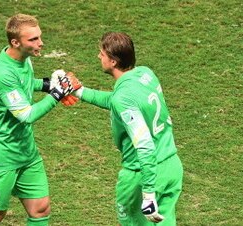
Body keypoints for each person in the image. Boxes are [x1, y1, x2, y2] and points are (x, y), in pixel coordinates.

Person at [0, 13, 79, 226]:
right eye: (33, 40)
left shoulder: (22, 60)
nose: (41, 43)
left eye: (39, 37)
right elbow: (26, 115)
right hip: (1, 154)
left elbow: (23, 82)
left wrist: (46, 84)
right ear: (15, 42)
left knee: (40, 208)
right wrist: (56, 93)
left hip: (26, 151)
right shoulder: (2, 72)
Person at [72, 32, 183, 225]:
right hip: (171, 166)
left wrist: (148, 193)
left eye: (102, 53)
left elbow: (145, 146)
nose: (99, 57)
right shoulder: (145, 74)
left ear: (113, 61)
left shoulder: (123, 98)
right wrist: (80, 91)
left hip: (141, 174)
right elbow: (117, 101)